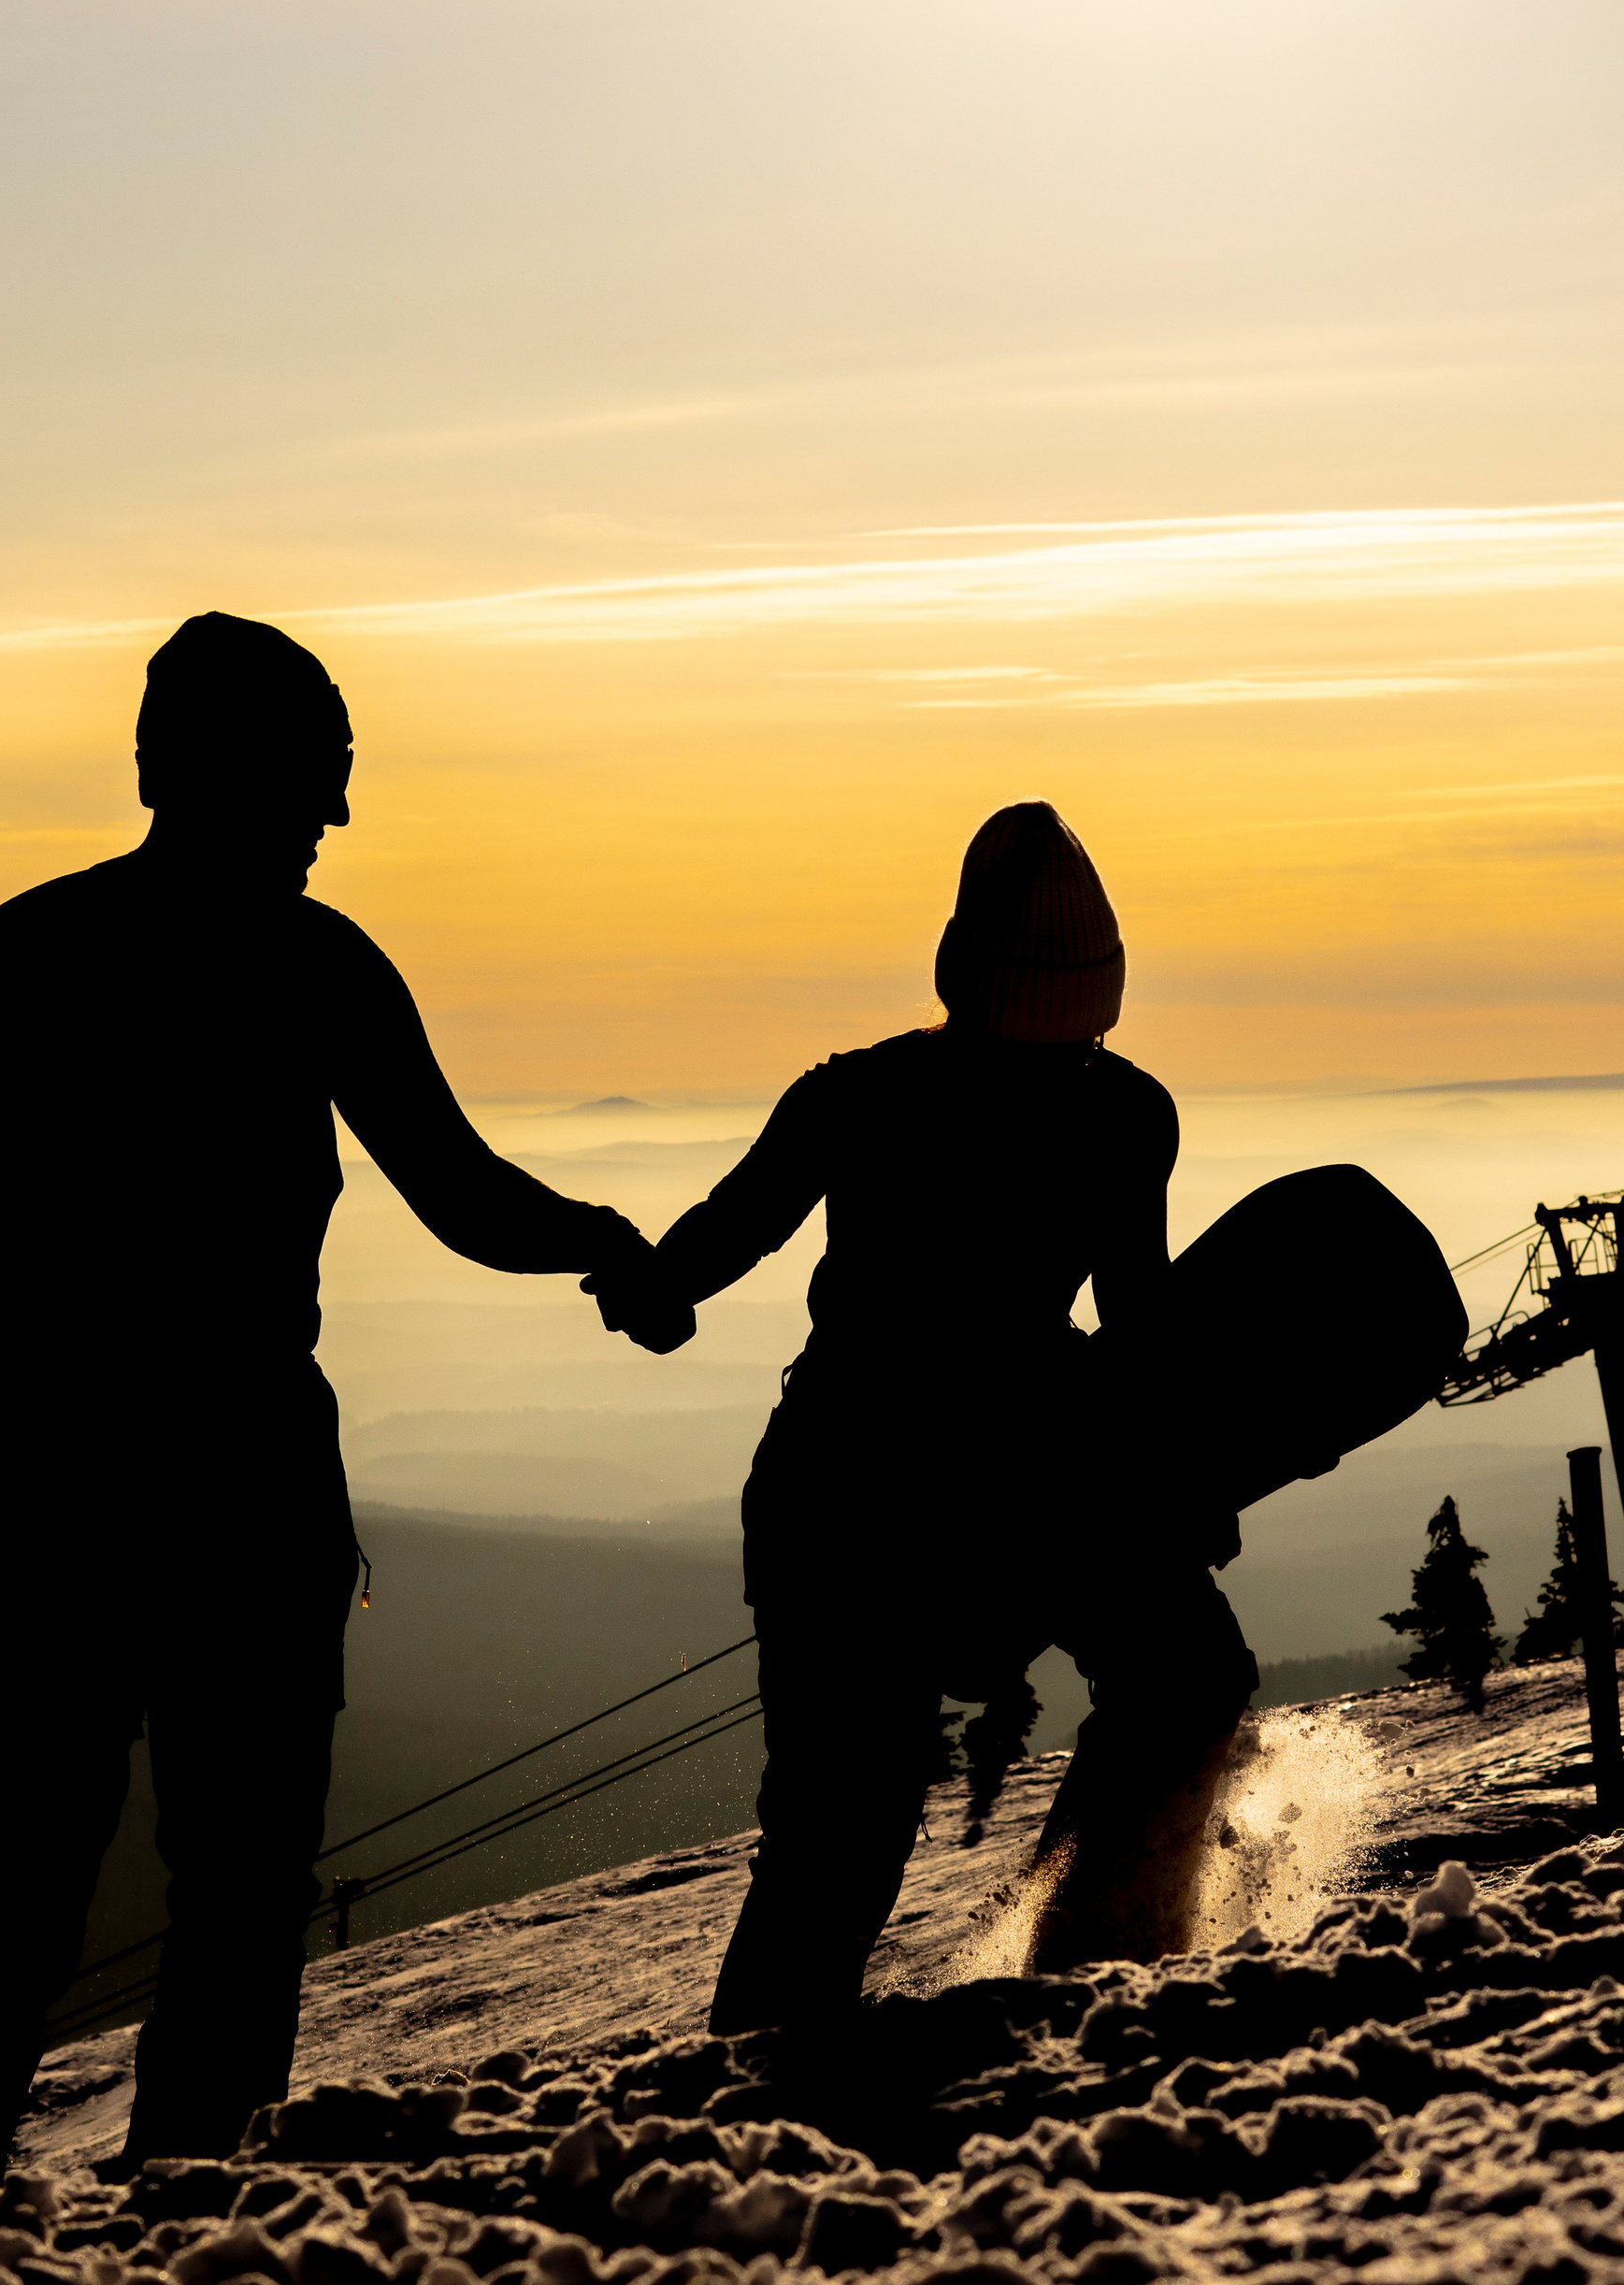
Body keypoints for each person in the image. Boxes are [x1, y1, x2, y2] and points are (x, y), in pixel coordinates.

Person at [0, 611, 687, 2186]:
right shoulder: (315, 966)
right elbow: (461, 1192)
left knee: (7, 1912)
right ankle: (190, 2225)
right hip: (241, 1493)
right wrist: (606, 1247)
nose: (338, 815)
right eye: (320, 776)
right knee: (235, 1907)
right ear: (225, 773)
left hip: (37, 1489)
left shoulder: (17, 952)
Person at [592, 801, 1462, 2032]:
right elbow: (1141, 1323)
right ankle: (776, 2077)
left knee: (1163, 1687)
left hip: (981, 1471)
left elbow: (698, 1268)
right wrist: (1195, 1472)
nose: (1054, 1065)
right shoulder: (1075, 1109)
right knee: (853, 1830)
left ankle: (1091, 1975)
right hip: (883, 1494)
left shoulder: (885, 1100)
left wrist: (644, 1287)